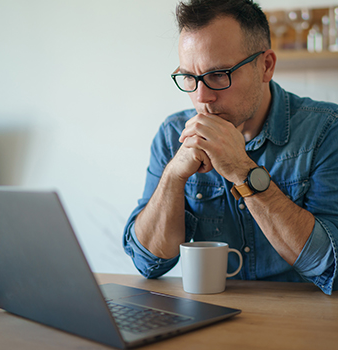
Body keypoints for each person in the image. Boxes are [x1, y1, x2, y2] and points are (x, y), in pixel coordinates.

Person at [123, 0, 338, 295]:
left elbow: (331, 267)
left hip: (301, 325)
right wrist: (173, 178)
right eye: (190, 77)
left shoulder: (325, 131)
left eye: (218, 75)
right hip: (207, 319)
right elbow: (147, 262)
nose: (202, 98)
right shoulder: (173, 133)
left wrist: (242, 170)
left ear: (266, 66)